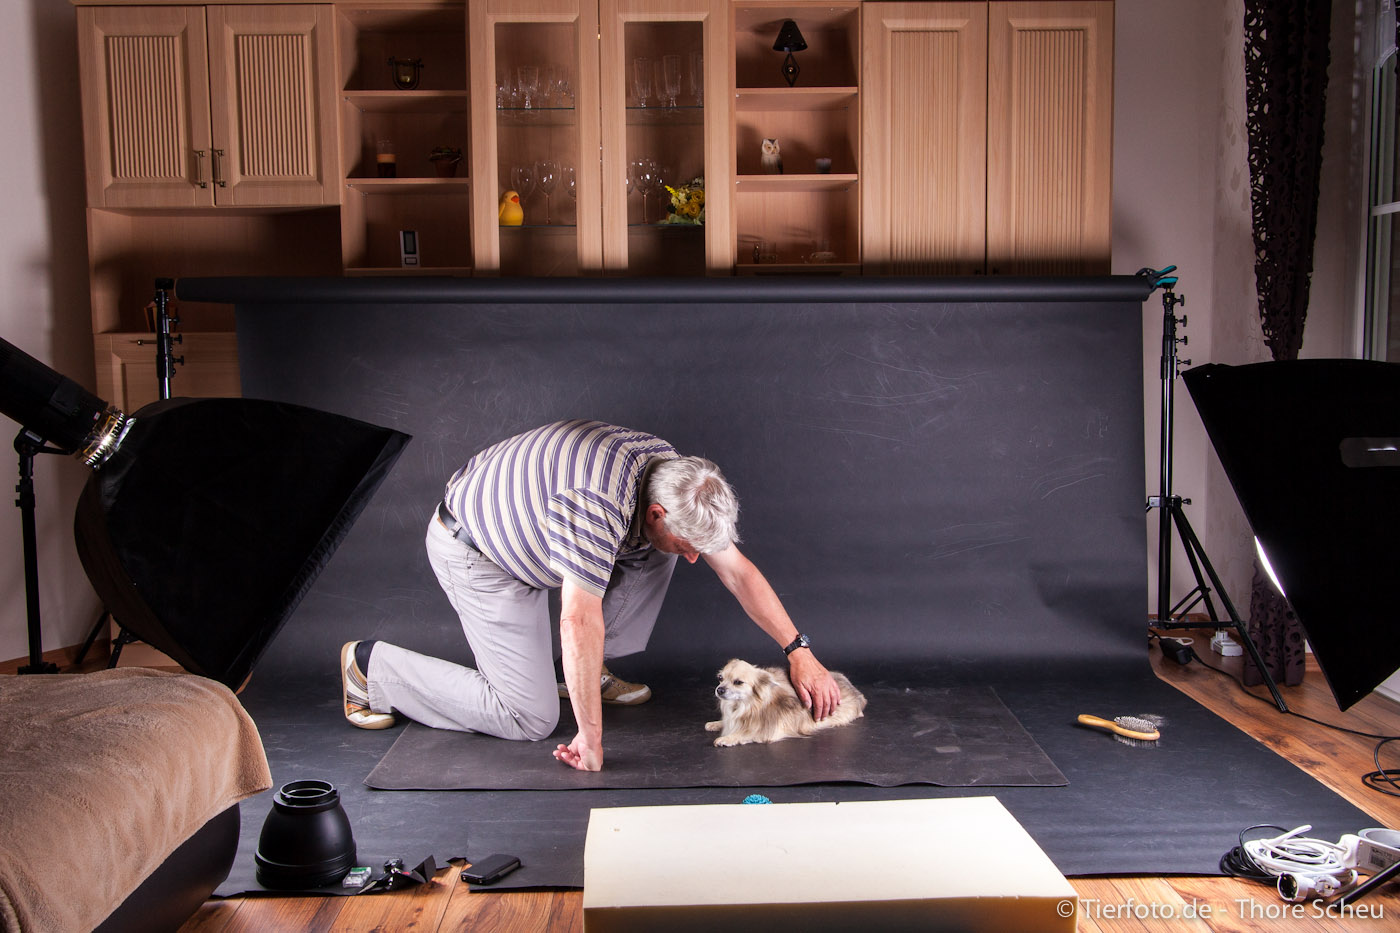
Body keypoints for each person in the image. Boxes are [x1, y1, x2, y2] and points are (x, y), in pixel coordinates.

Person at [340, 419, 841, 772]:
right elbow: (577, 621)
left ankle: (581, 673)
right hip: (482, 553)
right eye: (689, 545)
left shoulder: (673, 477)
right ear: (658, 514)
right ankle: (373, 670)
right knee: (530, 718)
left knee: (659, 555)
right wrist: (591, 739)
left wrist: (800, 652)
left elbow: (736, 572)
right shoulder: (594, 507)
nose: (694, 559)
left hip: (540, 524)